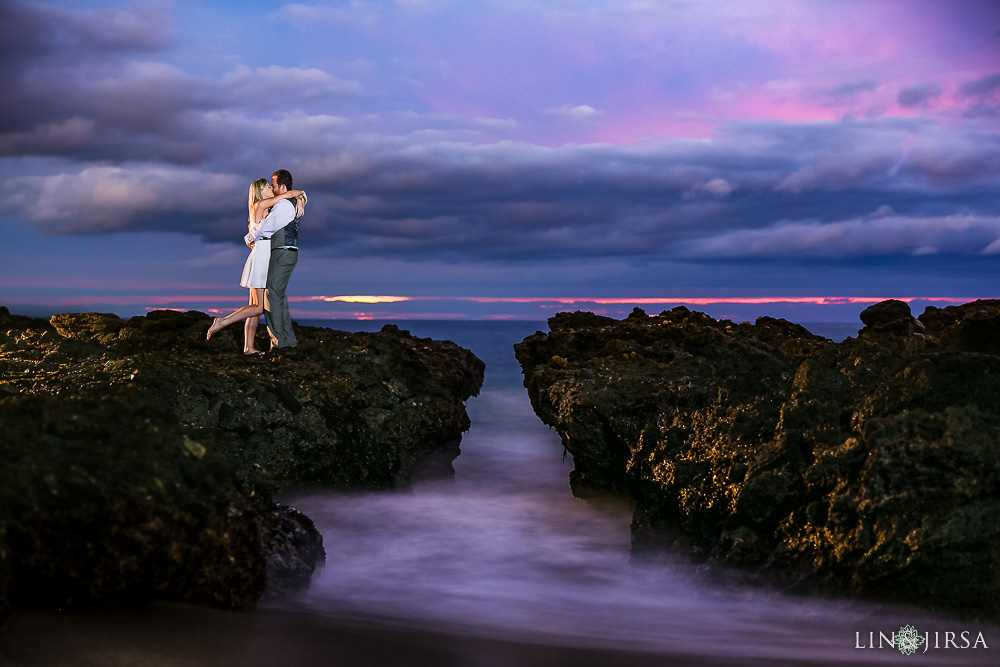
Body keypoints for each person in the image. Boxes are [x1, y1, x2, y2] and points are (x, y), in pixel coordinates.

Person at [206, 178, 306, 353]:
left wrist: (298, 199)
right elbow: (288, 194)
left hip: (262, 252)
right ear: (261, 190)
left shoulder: (263, 207)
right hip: (262, 255)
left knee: (253, 305)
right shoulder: (261, 204)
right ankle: (222, 322)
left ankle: (248, 347)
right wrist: (299, 196)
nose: (271, 189)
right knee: (259, 307)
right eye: (268, 187)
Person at [246, 169, 303, 352]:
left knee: (272, 296)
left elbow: (265, 230)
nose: (272, 188)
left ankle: (280, 343)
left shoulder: (283, 205)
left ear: (283, 187)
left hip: (282, 253)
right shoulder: (284, 203)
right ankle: (287, 341)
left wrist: (250, 237)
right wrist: (301, 197)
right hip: (281, 253)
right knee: (277, 296)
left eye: (274, 185)